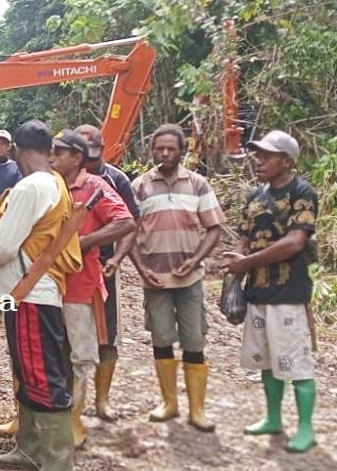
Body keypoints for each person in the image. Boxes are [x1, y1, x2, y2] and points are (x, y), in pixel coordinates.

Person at [0, 120, 81, 471]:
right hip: (33, 292)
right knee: (27, 371)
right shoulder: (55, 183)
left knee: (40, 374)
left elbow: (4, 245)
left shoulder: (30, 186)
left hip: (29, 295)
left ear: (19, 150)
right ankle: (30, 447)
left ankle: (57, 465)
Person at [225, 130, 318, 453]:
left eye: (267, 156)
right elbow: (243, 237)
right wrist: (236, 269)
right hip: (258, 293)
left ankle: (306, 428)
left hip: (289, 292)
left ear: (287, 161)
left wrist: (246, 261)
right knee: (266, 362)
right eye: (257, 155)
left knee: (297, 363)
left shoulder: (301, 192)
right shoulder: (254, 197)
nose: (259, 160)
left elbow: (295, 242)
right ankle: (273, 418)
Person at [130, 124, 224, 432]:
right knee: (161, 340)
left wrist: (197, 260)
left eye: (171, 149)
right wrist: (142, 269)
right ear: (152, 151)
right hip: (154, 279)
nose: (165, 154)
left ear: (182, 151)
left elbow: (214, 227)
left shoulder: (197, 184)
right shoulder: (140, 186)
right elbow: (127, 230)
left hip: (190, 279)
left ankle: (197, 410)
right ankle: (169, 403)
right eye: (160, 149)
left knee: (194, 340)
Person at [50, 130, 135, 449]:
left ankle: (74, 424)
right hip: (49, 283)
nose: (53, 156)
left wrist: (84, 242)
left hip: (80, 286)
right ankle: (54, 419)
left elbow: (125, 222)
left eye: (60, 151)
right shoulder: (50, 184)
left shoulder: (95, 187)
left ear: (77, 157)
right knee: (54, 353)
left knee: (80, 354)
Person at [74, 124, 141, 422]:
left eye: (93, 149)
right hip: (70, 267)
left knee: (107, 336)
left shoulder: (115, 179)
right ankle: (74, 405)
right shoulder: (64, 179)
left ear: (102, 146)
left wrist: (117, 257)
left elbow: (130, 223)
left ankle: (102, 401)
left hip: (104, 267)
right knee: (72, 335)